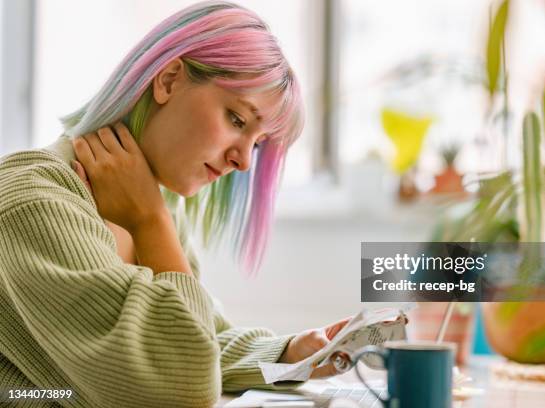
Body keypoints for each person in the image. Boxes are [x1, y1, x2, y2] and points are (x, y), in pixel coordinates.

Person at [0, 2, 351, 407]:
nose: (244, 162)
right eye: (236, 120)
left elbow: (198, 336)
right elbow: (184, 387)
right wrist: (150, 223)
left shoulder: (155, 196)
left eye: (256, 143)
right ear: (168, 80)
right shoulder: (33, 204)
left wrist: (290, 353)